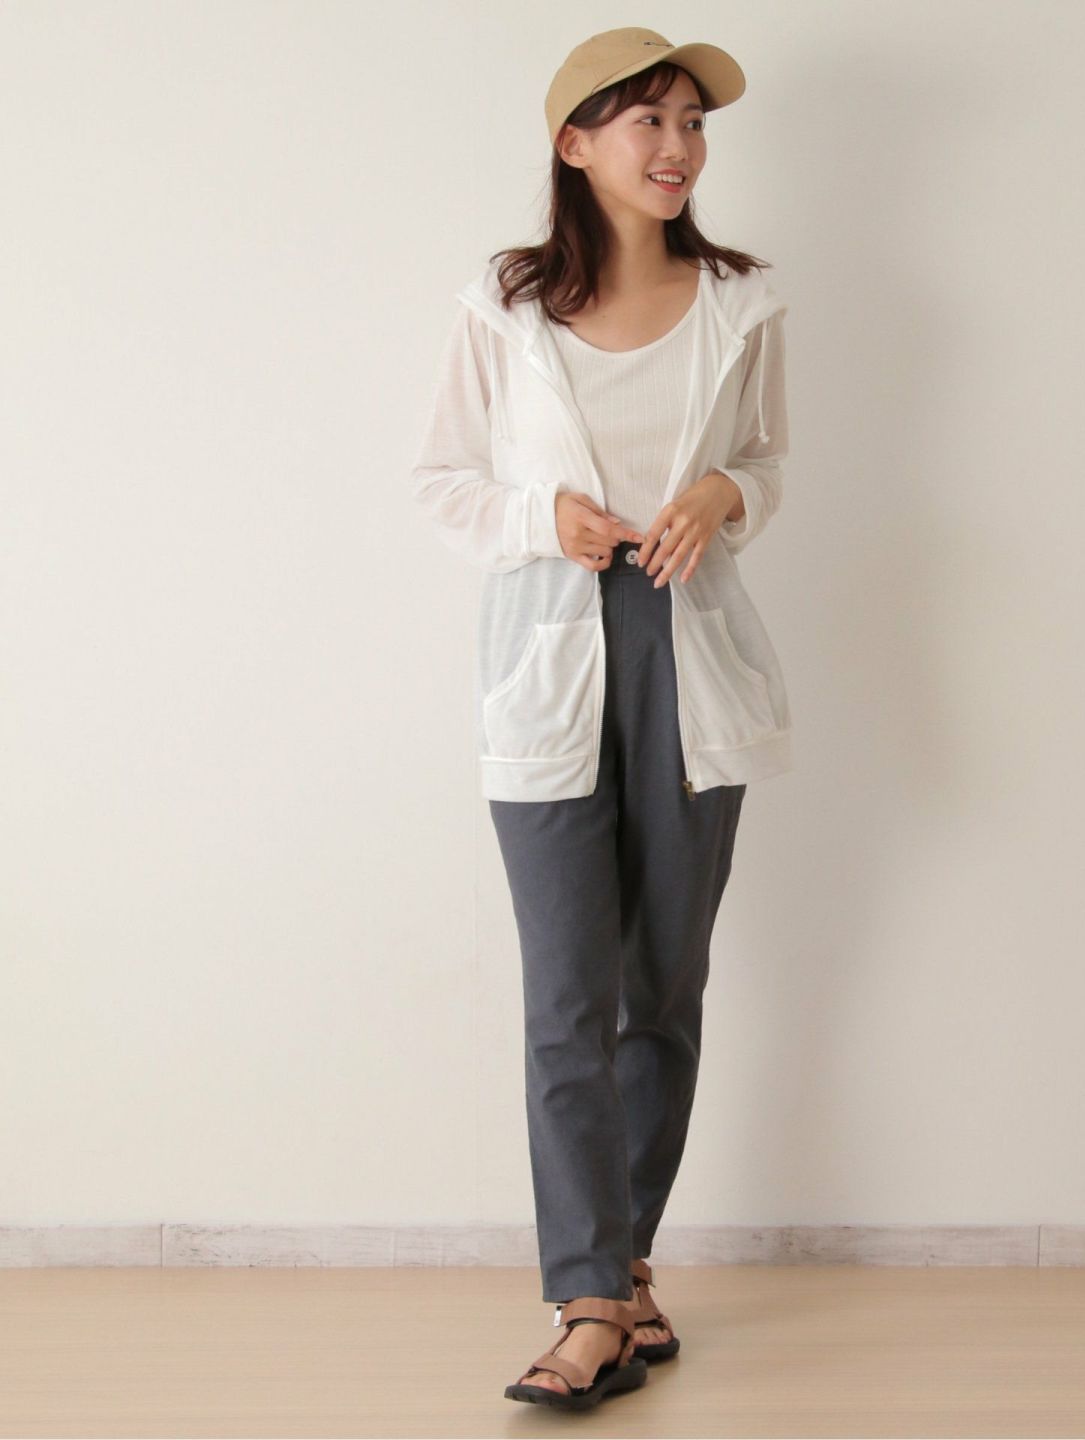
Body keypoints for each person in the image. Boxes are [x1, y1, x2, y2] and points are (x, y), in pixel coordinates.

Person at [410, 26, 793, 1412]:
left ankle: (624, 1276)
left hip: (692, 663)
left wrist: (724, 495)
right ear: (576, 145)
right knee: (568, 996)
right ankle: (587, 1300)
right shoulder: (503, 309)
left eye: (693, 123)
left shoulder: (742, 303)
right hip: (548, 658)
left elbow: (766, 462)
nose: (678, 147)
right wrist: (543, 516)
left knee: (662, 988)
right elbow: (442, 482)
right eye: (649, 121)